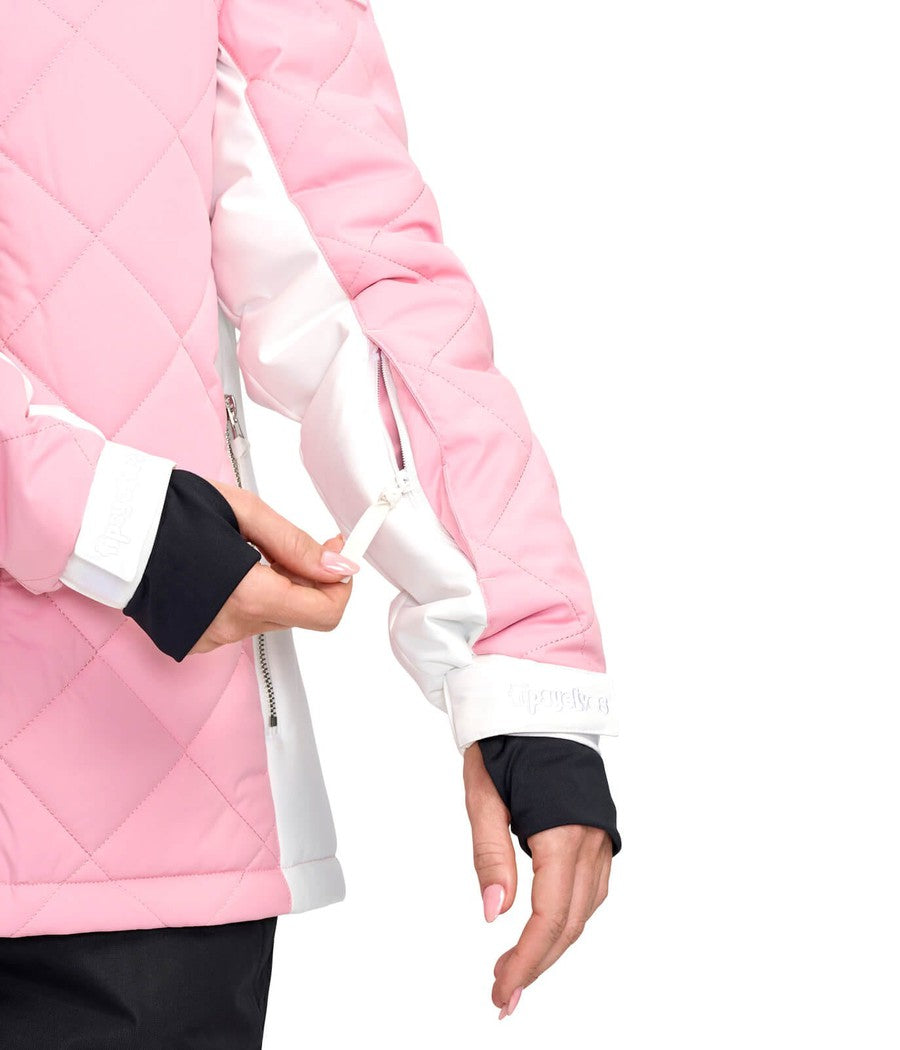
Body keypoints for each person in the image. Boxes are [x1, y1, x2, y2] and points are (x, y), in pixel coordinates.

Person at [0, 0, 621, 1043]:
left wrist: (520, 670)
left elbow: (357, 263)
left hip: (131, 818)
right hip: (141, 722)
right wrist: (119, 525)